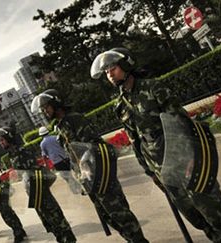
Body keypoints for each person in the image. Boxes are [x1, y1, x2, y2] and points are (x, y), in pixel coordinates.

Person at [90, 47, 221, 242]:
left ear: (125, 64)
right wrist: (151, 173)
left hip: (186, 162)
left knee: (215, 211)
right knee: (195, 217)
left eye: (112, 68)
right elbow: (136, 141)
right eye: (106, 72)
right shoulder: (120, 105)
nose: (109, 74)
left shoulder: (153, 87)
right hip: (163, 170)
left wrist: (194, 158)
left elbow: (182, 122)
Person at [31, 89, 149, 243]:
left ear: (56, 103)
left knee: (120, 214)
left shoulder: (75, 120)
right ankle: (132, 240)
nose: (44, 111)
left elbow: (92, 146)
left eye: (46, 106)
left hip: (101, 177)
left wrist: (88, 167)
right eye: (42, 109)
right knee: (108, 216)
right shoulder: (60, 127)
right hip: (89, 180)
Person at [0, 126, 77, 243]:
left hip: (41, 192)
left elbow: (36, 171)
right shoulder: (12, 155)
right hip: (33, 193)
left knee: (57, 218)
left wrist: (38, 189)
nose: (1, 143)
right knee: (50, 223)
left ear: (9, 138)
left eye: (2, 140)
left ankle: (69, 239)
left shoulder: (22, 151)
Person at [38, 126, 83, 194]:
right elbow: (64, 146)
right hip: (65, 158)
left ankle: (76, 190)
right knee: (77, 172)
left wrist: (47, 166)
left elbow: (44, 156)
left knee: (67, 177)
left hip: (57, 163)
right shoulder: (55, 137)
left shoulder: (42, 144)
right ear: (47, 132)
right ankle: (82, 186)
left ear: (41, 135)